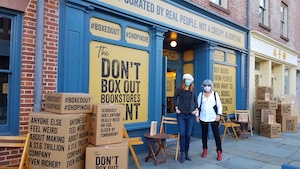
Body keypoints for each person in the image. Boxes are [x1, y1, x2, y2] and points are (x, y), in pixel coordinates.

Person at [195, 79, 223, 161]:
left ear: (211, 86)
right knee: (204, 135)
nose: (207, 87)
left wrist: (219, 114)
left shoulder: (215, 94)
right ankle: (204, 149)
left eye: (209, 85)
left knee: (216, 135)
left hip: (213, 117)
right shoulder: (201, 95)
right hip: (203, 117)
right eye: (205, 85)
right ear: (203, 86)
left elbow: (219, 105)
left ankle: (219, 151)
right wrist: (197, 116)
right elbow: (197, 106)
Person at [173, 73, 198, 163]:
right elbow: (174, 99)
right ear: (184, 81)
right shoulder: (179, 89)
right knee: (182, 133)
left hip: (190, 115)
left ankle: (187, 152)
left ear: (191, 81)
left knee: (188, 134)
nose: (187, 81)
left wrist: (196, 110)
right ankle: (182, 153)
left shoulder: (193, 90)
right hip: (181, 115)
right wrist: (176, 108)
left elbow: (196, 102)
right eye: (186, 79)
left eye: (189, 80)